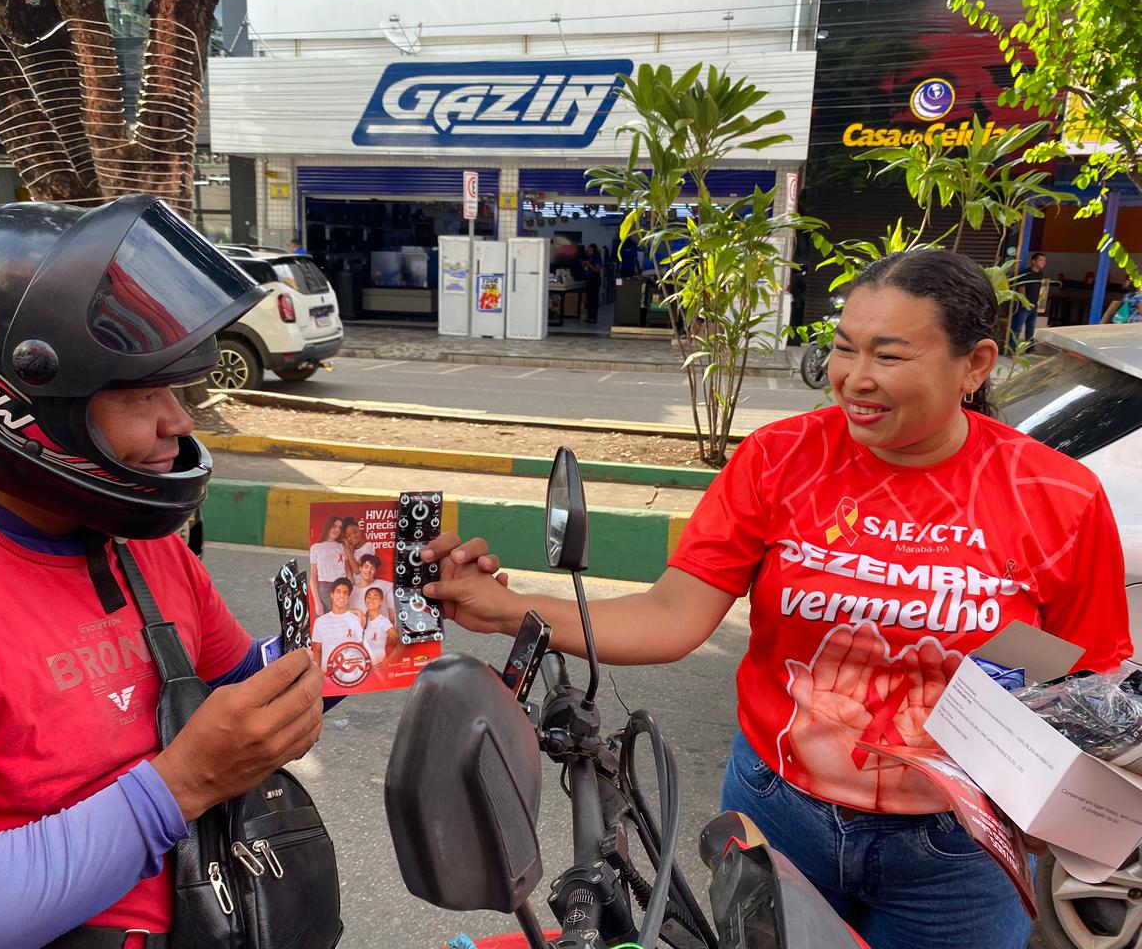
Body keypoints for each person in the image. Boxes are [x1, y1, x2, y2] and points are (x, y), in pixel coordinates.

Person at [424, 248, 1131, 949]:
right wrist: (511, 610)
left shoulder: (1057, 496)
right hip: (782, 820)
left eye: (888, 356)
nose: (855, 378)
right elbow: (672, 616)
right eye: (844, 348)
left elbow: (1090, 689)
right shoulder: (779, 458)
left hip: (957, 855)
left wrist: (1063, 805)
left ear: (974, 364)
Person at [0, 195, 329, 948]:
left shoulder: (132, 538)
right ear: (16, 404)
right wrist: (180, 786)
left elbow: (236, 696)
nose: (179, 423)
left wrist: (366, 621)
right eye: (142, 395)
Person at [311, 578, 365, 677]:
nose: (341, 596)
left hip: (350, 675)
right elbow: (318, 651)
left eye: (345, 593)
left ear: (348, 597)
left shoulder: (355, 620)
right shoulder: (320, 622)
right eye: (338, 592)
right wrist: (317, 675)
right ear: (332, 595)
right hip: (327, 674)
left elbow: (360, 648)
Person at [309, 514, 347, 617]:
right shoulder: (316, 548)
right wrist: (317, 602)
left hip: (341, 587)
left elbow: (348, 573)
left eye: (339, 527)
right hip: (324, 589)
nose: (337, 530)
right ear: (328, 526)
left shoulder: (342, 547)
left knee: (340, 624)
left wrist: (348, 592)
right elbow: (312, 579)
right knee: (324, 626)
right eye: (334, 526)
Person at [1010, 251, 1046, 349]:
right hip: (1025, 305)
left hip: (1034, 305)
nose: (1043, 262)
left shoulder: (1040, 274)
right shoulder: (1026, 273)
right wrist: (1024, 302)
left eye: (1044, 261)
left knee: (1030, 328)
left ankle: (1029, 348)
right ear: (1033, 261)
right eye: (1041, 260)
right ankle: (1012, 348)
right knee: (1018, 328)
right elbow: (1022, 288)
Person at [359, 586, 398, 668]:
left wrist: (389, 660)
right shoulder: (363, 620)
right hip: (364, 668)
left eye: (375, 598)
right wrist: (358, 611)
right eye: (368, 597)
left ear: (381, 602)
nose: (371, 600)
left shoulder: (383, 622)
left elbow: (401, 642)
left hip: (378, 667)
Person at [349, 552, 394, 622]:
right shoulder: (352, 591)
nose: (368, 571)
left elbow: (391, 612)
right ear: (360, 568)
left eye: (372, 568)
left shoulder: (384, 585)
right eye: (366, 567)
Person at [581, 242, 603, 324]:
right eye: (588, 249)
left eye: (590, 250)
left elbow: (597, 270)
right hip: (588, 279)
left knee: (594, 299)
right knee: (589, 299)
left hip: (594, 280)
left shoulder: (596, 258)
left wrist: (588, 264)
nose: (589, 251)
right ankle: (589, 316)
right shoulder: (587, 257)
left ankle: (594, 317)